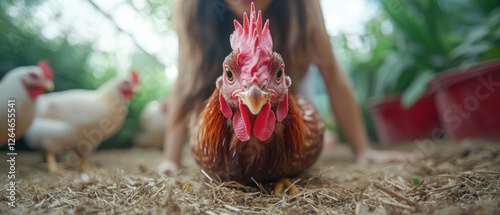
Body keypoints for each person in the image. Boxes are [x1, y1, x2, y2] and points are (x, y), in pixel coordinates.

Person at [158, 0, 416, 173]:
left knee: (302, 130)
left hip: (285, 88)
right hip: (229, 93)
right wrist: (170, 159)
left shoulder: (304, 6)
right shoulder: (193, 8)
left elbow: (332, 73)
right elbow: (185, 80)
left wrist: (362, 149)